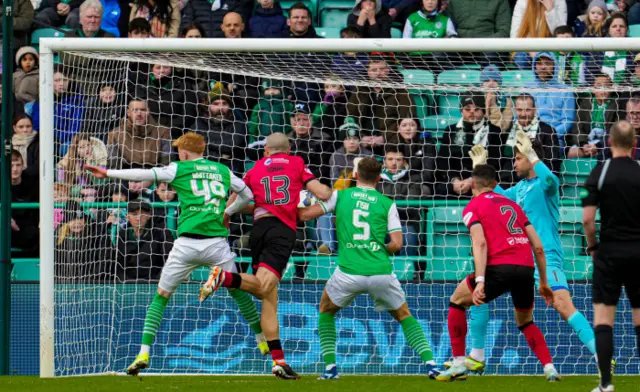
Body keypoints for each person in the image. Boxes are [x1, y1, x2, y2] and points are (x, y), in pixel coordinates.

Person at [85, 132, 267, 376]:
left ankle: (143, 352)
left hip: (187, 246)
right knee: (237, 290)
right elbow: (248, 194)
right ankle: (262, 339)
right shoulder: (223, 170)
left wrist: (108, 173)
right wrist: (228, 211)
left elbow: (145, 174)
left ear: (183, 152)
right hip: (216, 245)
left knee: (161, 296)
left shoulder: (179, 168)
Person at [460, 133, 601, 375]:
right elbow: (496, 197)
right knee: (477, 295)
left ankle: (601, 354)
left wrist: (534, 156)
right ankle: (477, 354)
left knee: (562, 303)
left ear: (530, 158)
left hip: (547, 254)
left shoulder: (547, 185)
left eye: (517, 158)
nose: (514, 164)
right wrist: (479, 169)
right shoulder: (521, 188)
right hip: (523, 259)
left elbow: (550, 181)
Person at [199, 132, 332, 380]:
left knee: (269, 297)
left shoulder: (255, 168)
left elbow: (238, 200)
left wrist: (226, 215)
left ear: (266, 150)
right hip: (282, 231)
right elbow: (322, 194)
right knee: (263, 287)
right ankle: (224, 278)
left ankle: (279, 362)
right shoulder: (297, 164)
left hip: (258, 230)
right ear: (289, 149)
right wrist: (332, 194)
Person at [297, 157, 442, 380]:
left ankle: (330, 369)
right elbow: (397, 244)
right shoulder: (387, 203)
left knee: (326, 309)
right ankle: (432, 365)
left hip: (348, 272)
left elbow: (305, 215)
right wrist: (375, 248)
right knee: (404, 315)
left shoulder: (340, 195)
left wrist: (297, 204)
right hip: (380, 271)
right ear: (378, 178)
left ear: (355, 176)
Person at [435, 164, 560, 382]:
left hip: (497, 269)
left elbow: (480, 244)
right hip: (525, 268)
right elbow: (538, 247)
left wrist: (481, 280)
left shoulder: (473, 206)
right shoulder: (513, 206)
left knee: (457, 301)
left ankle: (457, 363)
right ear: (495, 185)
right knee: (526, 322)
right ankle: (549, 367)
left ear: (473, 184)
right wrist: (544, 282)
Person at [583, 120, 640, 392]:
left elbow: (587, 221)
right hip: (639, 253)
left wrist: (593, 247)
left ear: (609, 142)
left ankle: (606, 384)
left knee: (604, 319)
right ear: (634, 144)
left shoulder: (599, 172)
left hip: (609, 253)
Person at [527, 52, 576, 148]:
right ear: (534, 66)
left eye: (547, 63)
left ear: (555, 66)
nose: (543, 67)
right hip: (528, 138)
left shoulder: (565, 91)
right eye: (539, 63)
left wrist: (550, 135)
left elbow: (567, 122)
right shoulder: (526, 89)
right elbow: (518, 118)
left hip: (554, 140)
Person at [116, 200, 174, 282]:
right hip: (128, 282)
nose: (138, 218)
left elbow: (169, 259)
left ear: (149, 215)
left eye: (142, 214)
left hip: (155, 281)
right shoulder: (121, 235)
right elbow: (118, 265)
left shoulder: (161, 232)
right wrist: (126, 282)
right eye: (134, 214)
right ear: (127, 216)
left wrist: (159, 280)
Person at [569, 73, 624, 158]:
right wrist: (583, 144)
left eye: (606, 86)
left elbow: (616, 131)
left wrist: (598, 146)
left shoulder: (616, 104)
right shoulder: (586, 103)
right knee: (572, 153)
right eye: (599, 86)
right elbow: (577, 127)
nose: (603, 89)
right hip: (587, 142)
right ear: (593, 89)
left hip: (606, 143)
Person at [506, 93, 562, 173]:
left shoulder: (548, 132)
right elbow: (505, 163)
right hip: (513, 182)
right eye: (519, 110)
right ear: (515, 110)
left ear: (534, 110)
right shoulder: (510, 131)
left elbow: (552, 165)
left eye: (527, 110)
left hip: (538, 180)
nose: (523, 114)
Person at [511, 0, 567, 69]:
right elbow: (515, 34)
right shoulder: (522, 2)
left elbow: (561, 34)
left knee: (551, 58)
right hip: (526, 47)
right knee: (521, 59)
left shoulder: (559, 2)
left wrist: (550, 10)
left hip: (550, 47)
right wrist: (530, 49)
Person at [480, 65, 514, 132]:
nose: (491, 84)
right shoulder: (475, 98)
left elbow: (503, 128)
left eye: (495, 80)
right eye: (487, 80)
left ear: (499, 84)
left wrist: (493, 105)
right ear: (481, 84)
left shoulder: (507, 102)